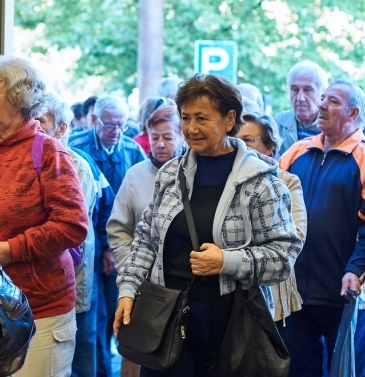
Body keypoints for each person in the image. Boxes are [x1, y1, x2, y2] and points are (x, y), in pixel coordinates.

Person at [114, 74, 301, 376]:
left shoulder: (262, 182)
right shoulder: (171, 174)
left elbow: (282, 258)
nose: (191, 128)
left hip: (229, 326)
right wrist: (127, 289)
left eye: (202, 118)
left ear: (230, 119)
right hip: (164, 320)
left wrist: (227, 261)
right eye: (186, 118)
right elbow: (147, 239)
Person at [0, 57, 88, 377]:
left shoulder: (50, 152)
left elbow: (72, 225)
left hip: (40, 310)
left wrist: (10, 249)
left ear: (19, 97)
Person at [279, 79, 365, 377]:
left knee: (346, 372)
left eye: (333, 101)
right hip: (295, 292)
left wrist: (356, 267)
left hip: (344, 293)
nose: (321, 105)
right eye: (323, 98)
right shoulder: (296, 153)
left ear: (354, 113)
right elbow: (272, 209)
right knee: (298, 370)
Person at [68, 95, 146, 377]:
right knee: (94, 319)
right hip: (90, 247)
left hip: (124, 246)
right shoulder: (78, 149)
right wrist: (103, 249)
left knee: (121, 313)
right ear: (93, 121)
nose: (117, 132)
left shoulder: (132, 150)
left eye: (122, 125)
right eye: (110, 125)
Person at [107, 104, 184, 377]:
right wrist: (131, 268)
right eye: (155, 137)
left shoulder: (193, 173)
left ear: (181, 136)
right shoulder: (135, 175)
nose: (160, 144)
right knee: (137, 354)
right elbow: (118, 227)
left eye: (168, 137)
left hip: (181, 288)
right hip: (142, 287)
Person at [36, 93, 99, 377]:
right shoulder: (29, 160)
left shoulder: (77, 165)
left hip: (72, 274)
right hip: (39, 281)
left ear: (61, 128)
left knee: (79, 353)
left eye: (41, 120)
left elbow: (69, 229)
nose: (33, 127)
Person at [235, 112, 307, 330]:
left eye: (248, 140)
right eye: (235, 140)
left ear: (270, 148)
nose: (240, 146)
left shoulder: (287, 182)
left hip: (271, 294)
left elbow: (296, 236)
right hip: (229, 294)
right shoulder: (226, 182)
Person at [275, 61, 329, 155]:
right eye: (295, 90)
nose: (300, 98)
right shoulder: (279, 123)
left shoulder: (333, 126)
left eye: (307, 90)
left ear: (322, 93)